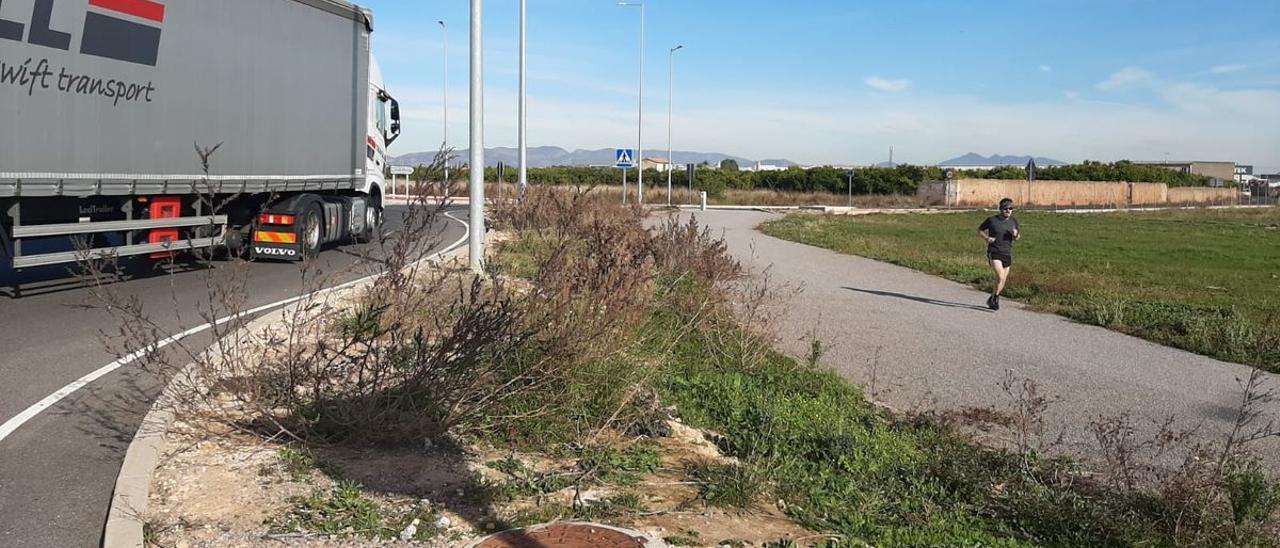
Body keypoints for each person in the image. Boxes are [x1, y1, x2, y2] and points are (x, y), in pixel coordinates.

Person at [977, 198, 1020, 310]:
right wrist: (986, 238)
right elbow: (980, 230)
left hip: (1007, 252)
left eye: (1011, 208)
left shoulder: (1013, 221)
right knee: (1000, 276)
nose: (1009, 210)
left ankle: (994, 297)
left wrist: (1016, 235)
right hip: (994, 251)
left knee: (1003, 280)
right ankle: (994, 298)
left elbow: (1017, 237)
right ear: (1001, 209)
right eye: (1006, 208)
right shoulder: (992, 220)